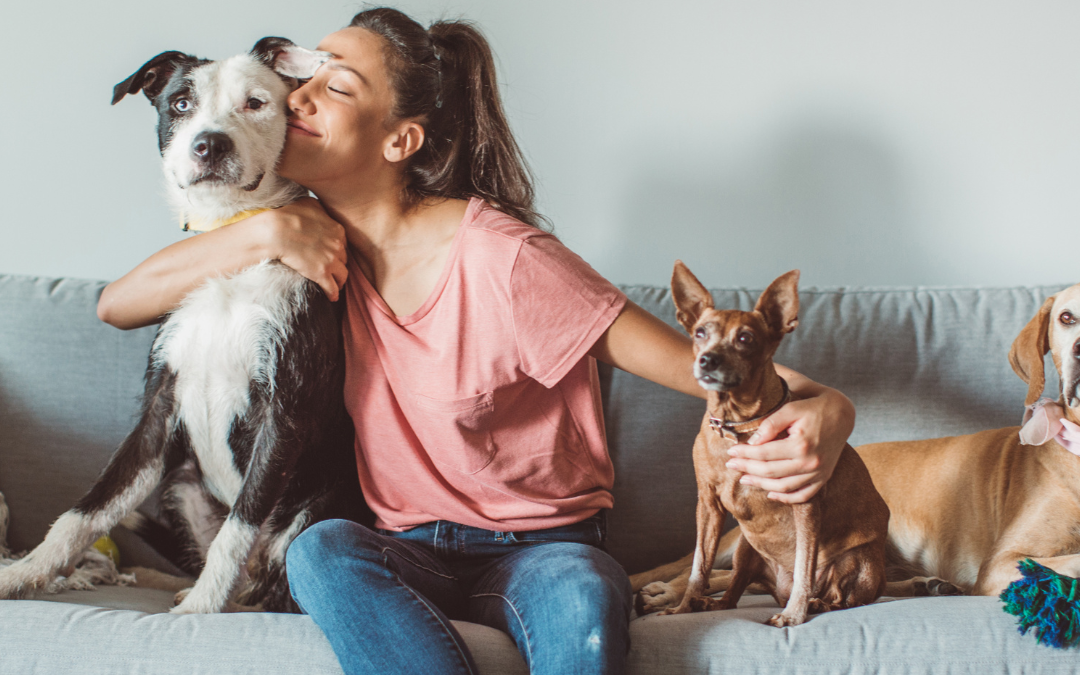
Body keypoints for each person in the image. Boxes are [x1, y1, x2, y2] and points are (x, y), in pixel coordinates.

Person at [97, 8, 856, 674]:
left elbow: (712, 372)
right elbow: (117, 304)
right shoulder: (303, 243)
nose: (297, 96)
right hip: (401, 545)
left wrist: (834, 409)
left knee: (587, 596)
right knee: (319, 552)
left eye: (334, 85)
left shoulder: (506, 259)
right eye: (303, 79)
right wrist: (262, 227)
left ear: (401, 141)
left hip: (541, 547)